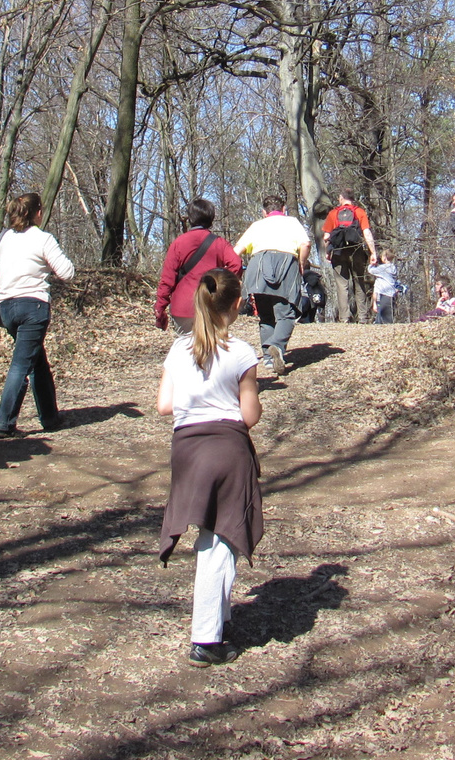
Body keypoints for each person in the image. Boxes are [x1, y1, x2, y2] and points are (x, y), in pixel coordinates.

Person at [156, 267, 264, 668]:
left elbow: (165, 406)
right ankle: (205, 638)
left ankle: (219, 620)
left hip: (186, 450)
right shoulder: (241, 352)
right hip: (226, 449)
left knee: (212, 537)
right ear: (236, 304)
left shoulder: (178, 350)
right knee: (220, 541)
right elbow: (249, 416)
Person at [0, 192, 75, 438]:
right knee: (21, 365)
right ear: (38, 212)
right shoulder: (42, 238)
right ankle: (3, 423)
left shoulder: (2, 239)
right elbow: (67, 272)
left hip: (6, 307)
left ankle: (50, 416)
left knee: (37, 361)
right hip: (33, 307)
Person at [234, 194, 311, 378]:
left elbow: (237, 250)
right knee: (286, 313)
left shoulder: (257, 225)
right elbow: (306, 243)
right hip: (286, 264)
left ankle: (269, 359)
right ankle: (277, 345)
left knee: (266, 315)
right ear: (283, 209)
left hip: (258, 267)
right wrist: (301, 262)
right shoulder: (292, 222)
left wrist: (234, 274)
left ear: (264, 212)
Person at [155, 197, 243, 334]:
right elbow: (236, 264)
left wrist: (160, 308)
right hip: (211, 305)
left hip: (183, 308)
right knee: (212, 350)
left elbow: (167, 280)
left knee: (187, 350)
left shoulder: (178, 243)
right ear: (211, 219)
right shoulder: (220, 243)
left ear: (190, 218)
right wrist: (221, 284)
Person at [321, 190, 377, 324]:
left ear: (341, 198)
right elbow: (366, 232)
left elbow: (326, 236)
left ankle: (344, 317)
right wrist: (373, 252)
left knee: (342, 285)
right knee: (359, 282)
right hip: (356, 250)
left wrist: (327, 252)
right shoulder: (359, 212)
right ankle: (362, 317)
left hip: (339, 251)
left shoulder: (333, 213)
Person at [370, 249, 400, 324]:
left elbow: (371, 270)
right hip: (391, 295)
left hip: (384, 295)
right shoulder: (393, 268)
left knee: (385, 320)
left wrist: (372, 263)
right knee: (385, 317)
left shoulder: (384, 268)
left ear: (385, 257)